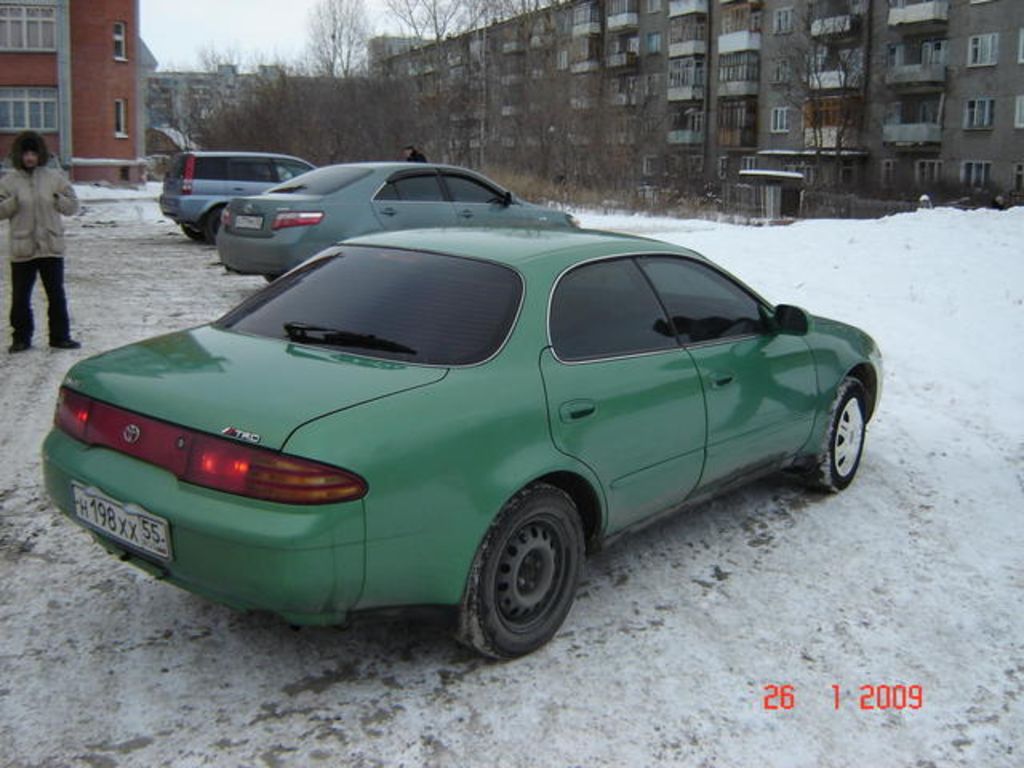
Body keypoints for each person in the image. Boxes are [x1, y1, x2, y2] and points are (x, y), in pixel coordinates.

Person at [0, 130, 80, 353]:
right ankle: (21, 338)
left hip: (50, 248)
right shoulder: (9, 182)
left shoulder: (54, 179)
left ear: (40, 155)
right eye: (25, 153)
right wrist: (12, 203)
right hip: (23, 249)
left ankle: (60, 337)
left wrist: (57, 198)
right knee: (20, 298)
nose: (29, 158)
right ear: (19, 155)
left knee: (56, 295)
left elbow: (73, 206)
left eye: (33, 153)